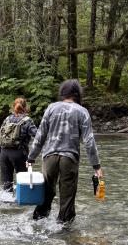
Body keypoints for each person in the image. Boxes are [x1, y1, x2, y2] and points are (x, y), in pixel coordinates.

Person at [27, 79, 103, 223]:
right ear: (77, 94)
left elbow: (40, 135)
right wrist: (96, 166)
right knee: (67, 197)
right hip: (69, 158)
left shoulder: (51, 108)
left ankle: (38, 222)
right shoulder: (82, 111)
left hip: (49, 156)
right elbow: (89, 141)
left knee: (46, 193)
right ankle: (64, 231)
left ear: (63, 92)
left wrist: (31, 158)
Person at [0, 98, 38, 192]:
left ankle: (6, 204)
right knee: (23, 183)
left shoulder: (7, 119)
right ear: (26, 107)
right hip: (19, 153)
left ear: (13, 106)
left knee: (6, 184)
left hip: (4, 153)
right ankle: (22, 204)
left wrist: (0, 153)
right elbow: (38, 136)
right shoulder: (27, 120)